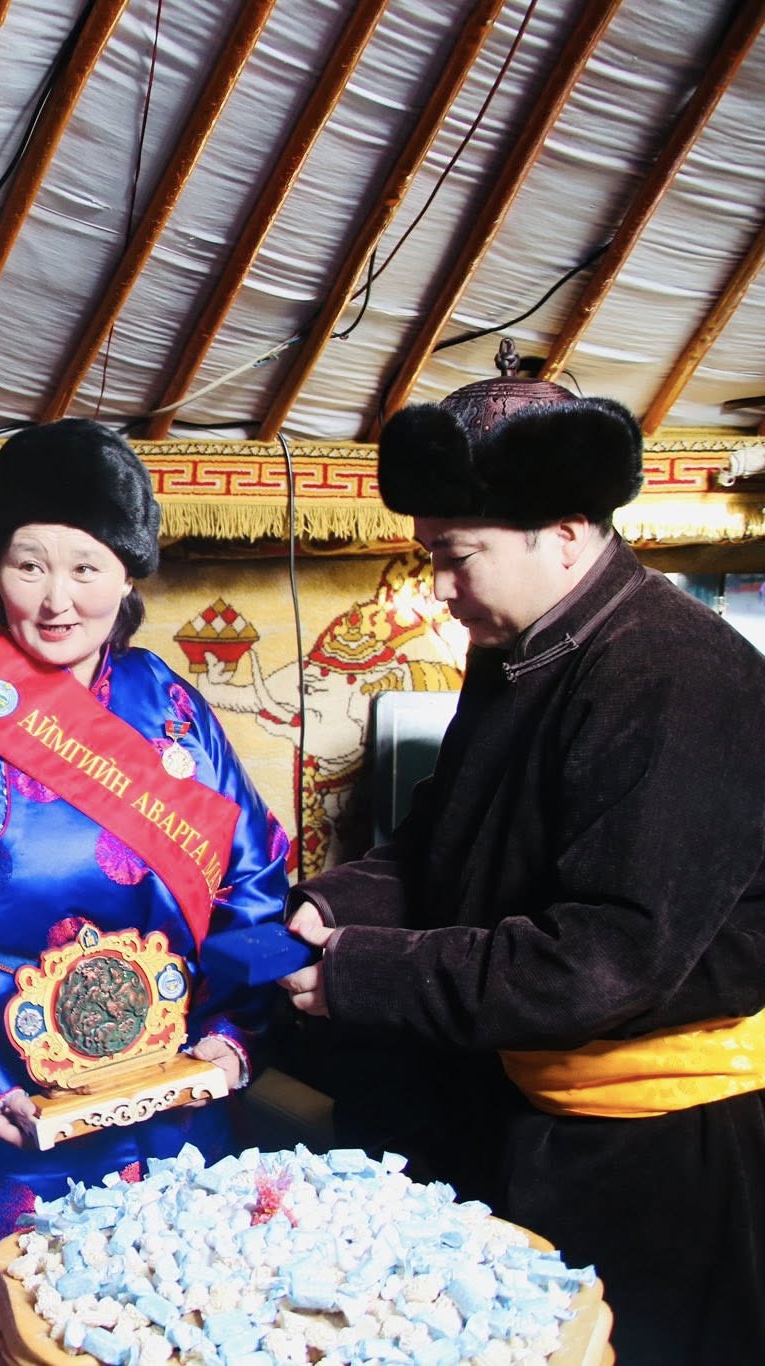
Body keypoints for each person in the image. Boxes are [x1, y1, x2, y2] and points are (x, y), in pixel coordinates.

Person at [277, 361, 765, 1363]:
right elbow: (441, 842)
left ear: (568, 532)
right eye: (430, 557)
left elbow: (604, 961)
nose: (439, 588)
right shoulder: (520, 649)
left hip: (657, 1151)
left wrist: (358, 973)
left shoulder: (679, 676)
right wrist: (325, 908)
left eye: (458, 557)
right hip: (520, 1101)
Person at [0, 419, 290, 1363]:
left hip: (166, 1090)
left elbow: (253, 871)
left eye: (85, 568)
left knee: (177, 1323)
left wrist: (232, 1033)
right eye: (29, 566)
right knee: (2, 1334)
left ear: (127, 576)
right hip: (1, 1100)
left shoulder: (172, 708)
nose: (55, 600)